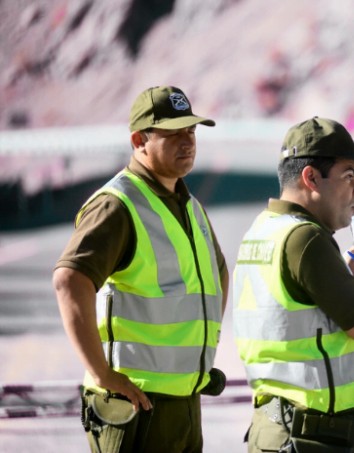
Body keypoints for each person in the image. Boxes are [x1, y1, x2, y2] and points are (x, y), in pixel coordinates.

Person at [52, 86, 229, 453]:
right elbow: (70, 280)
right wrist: (102, 373)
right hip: (137, 405)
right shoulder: (118, 205)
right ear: (139, 140)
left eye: (192, 131)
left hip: (184, 401)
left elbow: (219, 273)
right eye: (173, 132)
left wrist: (200, 348)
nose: (188, 141)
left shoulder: (189, 205)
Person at [233, 117, 354, 453]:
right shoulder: (306, 238)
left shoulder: (265, 228)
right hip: (309, 437)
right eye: (348, 175)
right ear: (310, 177)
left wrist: (342, 276)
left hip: (278, 426)